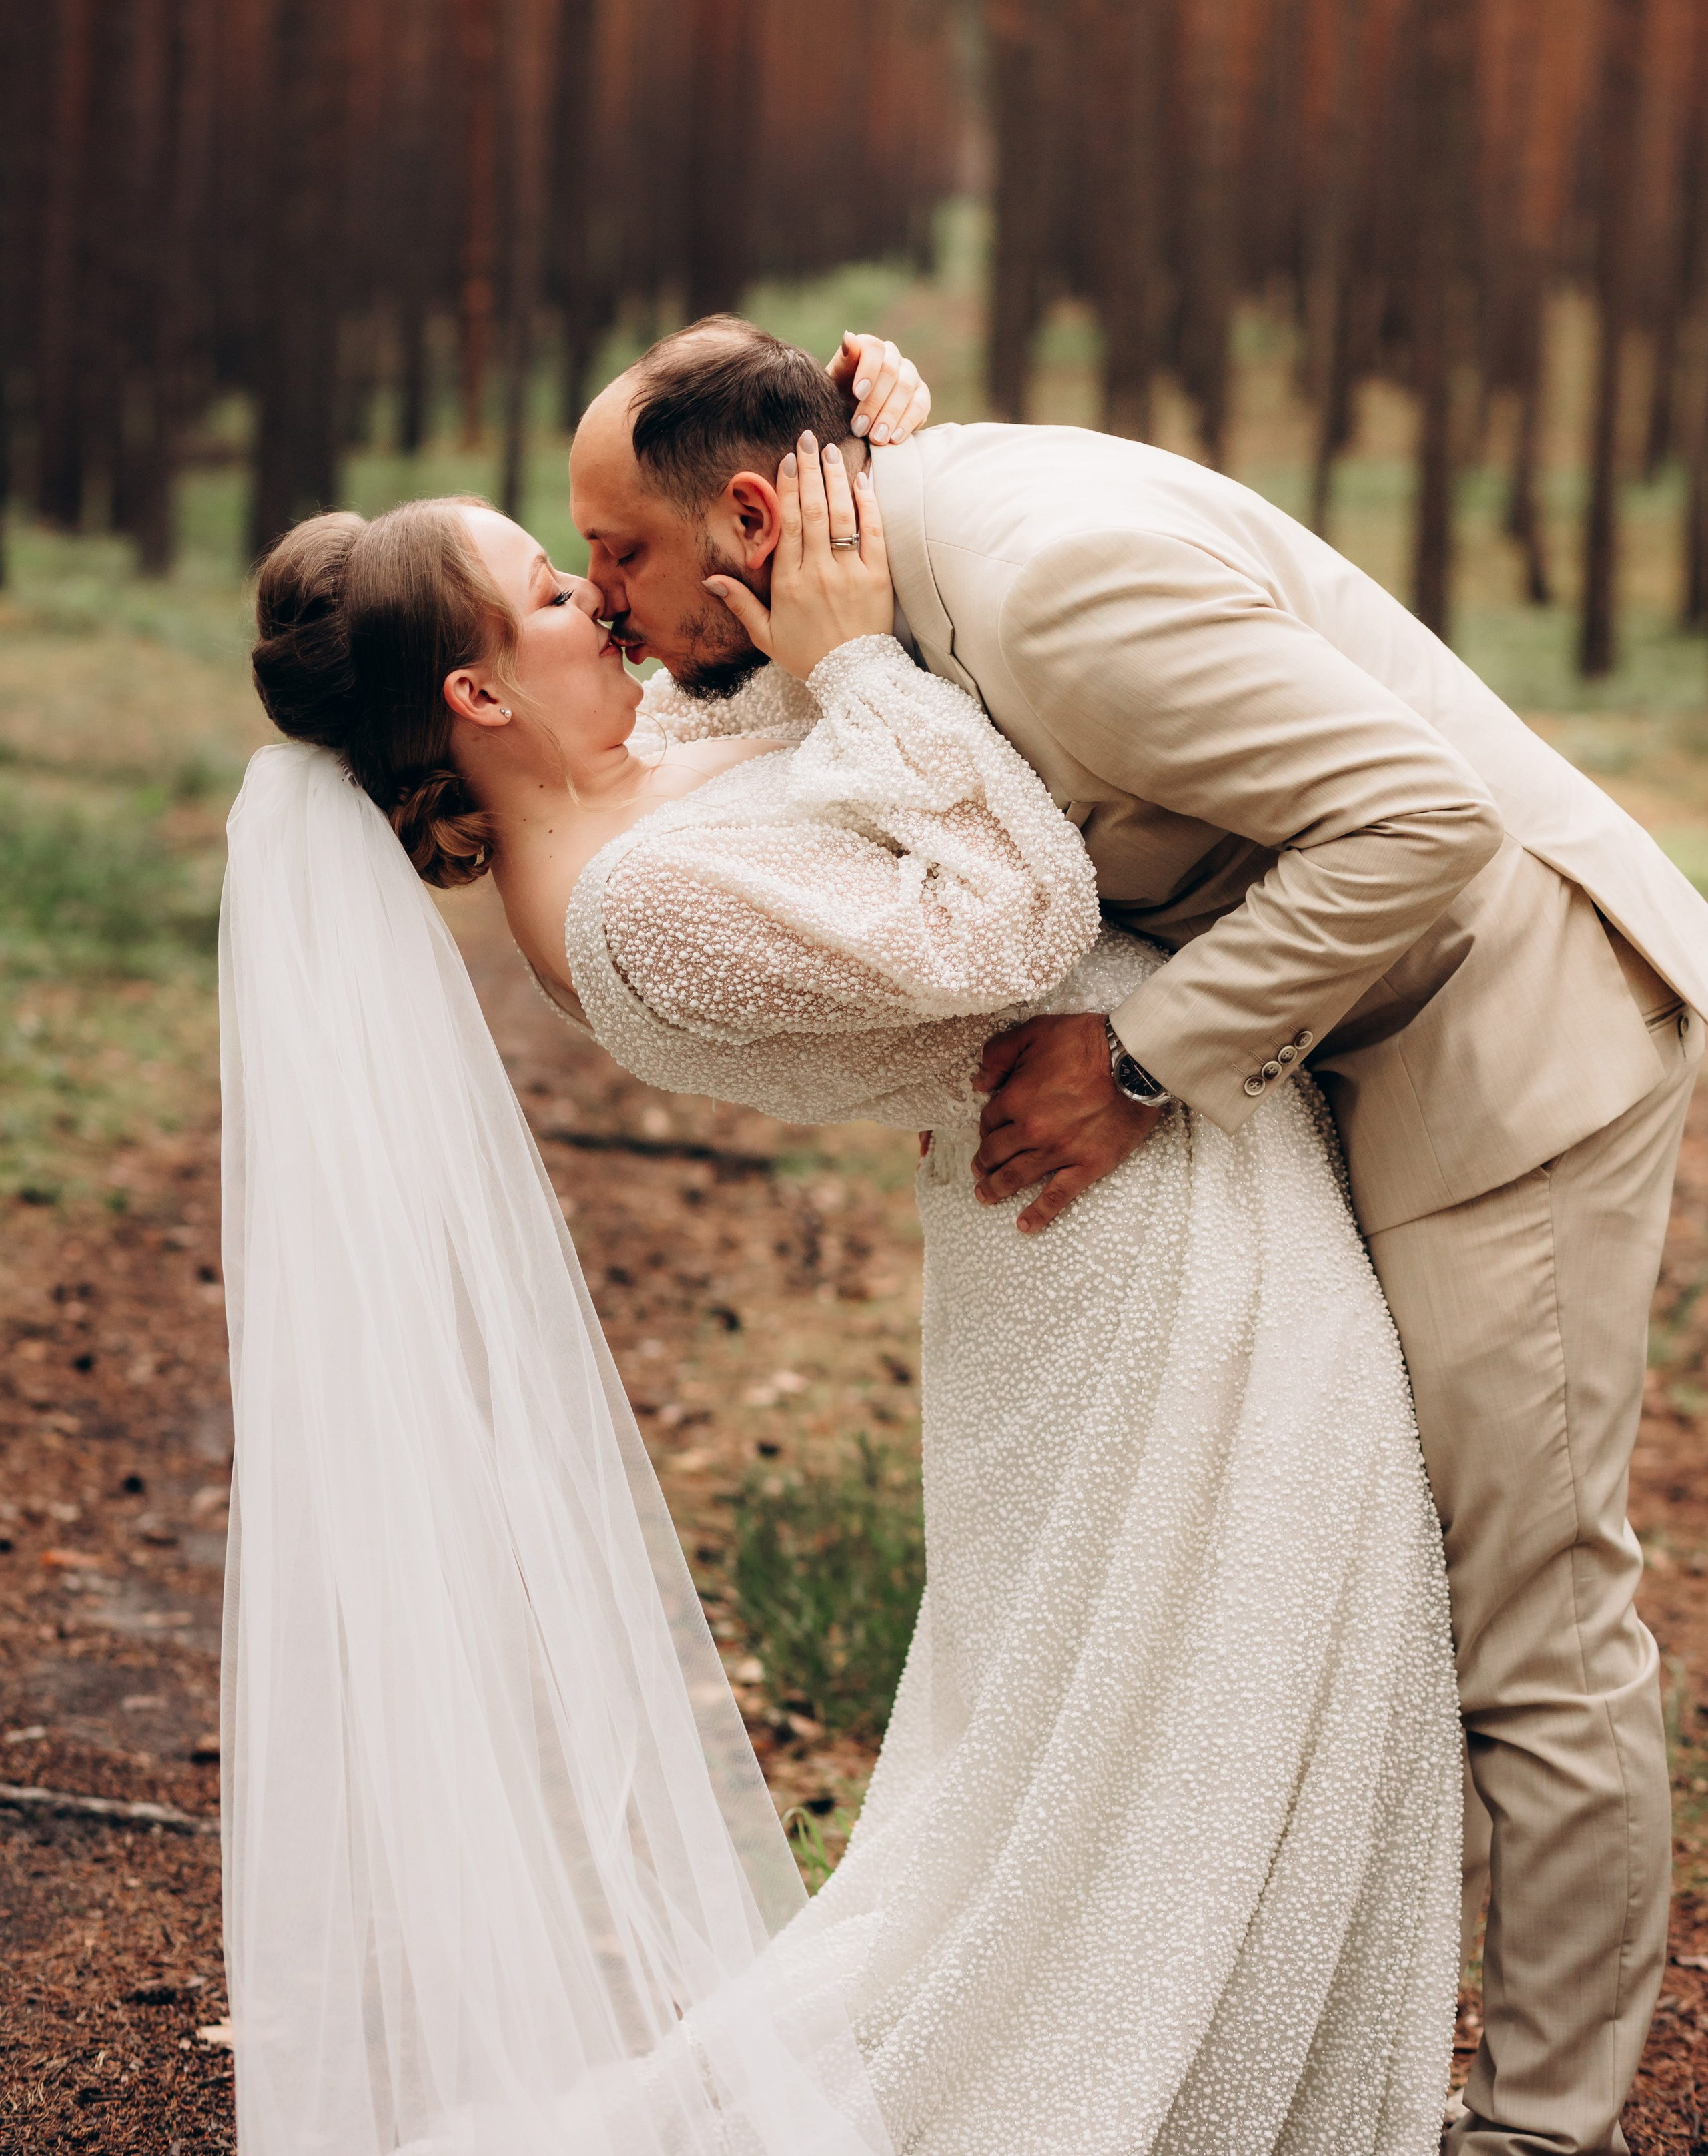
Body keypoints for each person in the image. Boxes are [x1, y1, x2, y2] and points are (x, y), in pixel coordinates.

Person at [222, 346, 1462, 2153]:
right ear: (480, 689)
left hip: (1128, 1199)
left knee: (1175, 1739)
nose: (609, 610)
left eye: (600, 567)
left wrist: (848, 454)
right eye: (566, 590)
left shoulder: (624, 800)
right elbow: (1015, 911)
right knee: (1181, 1747)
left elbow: (770, 695)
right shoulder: (638, 918)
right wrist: (865, 659)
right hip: (1137, 1243)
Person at [569, 316, 1708, 2156]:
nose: (604, 598)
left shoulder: (1053, 587)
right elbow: (747, 715)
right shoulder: (870, 573)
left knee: (1534, 1625)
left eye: (619, 555)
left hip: (1517, 1053)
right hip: (1361, 1037)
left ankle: (1547, 2133)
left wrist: (1142, 1062)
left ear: (760, 514)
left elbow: (1418, 822)